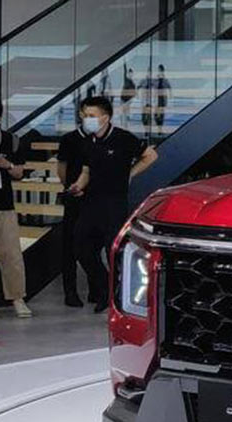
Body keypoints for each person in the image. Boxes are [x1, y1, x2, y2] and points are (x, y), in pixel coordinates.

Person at [72, 96, 158, 313]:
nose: (87, 119)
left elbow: (150, 155)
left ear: (105, 117)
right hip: (91, 201)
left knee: (113, 250)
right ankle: (105, 288)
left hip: (114, 202)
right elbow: (86, 170)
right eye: (85, 116)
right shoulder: (88, 142)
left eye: (91, 115)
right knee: (81, 246)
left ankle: (117, 294)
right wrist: (78, 185)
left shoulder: (123, 138)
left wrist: (130, 174)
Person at [0, 102, 32, 318]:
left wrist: (7, 165)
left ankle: (17, 298)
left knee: (11, 254)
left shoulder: (10, 140)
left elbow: (19, 172)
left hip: (4, 205)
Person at [56, 109, 93, 307]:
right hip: (74, 197)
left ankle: (96, 289)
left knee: (94, 244)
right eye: (88, 114)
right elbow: (62, 167)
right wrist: (69, 186)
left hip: (96, 198)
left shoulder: (101, 139)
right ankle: (70, 291)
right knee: (69, 246)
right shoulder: (69, 139)